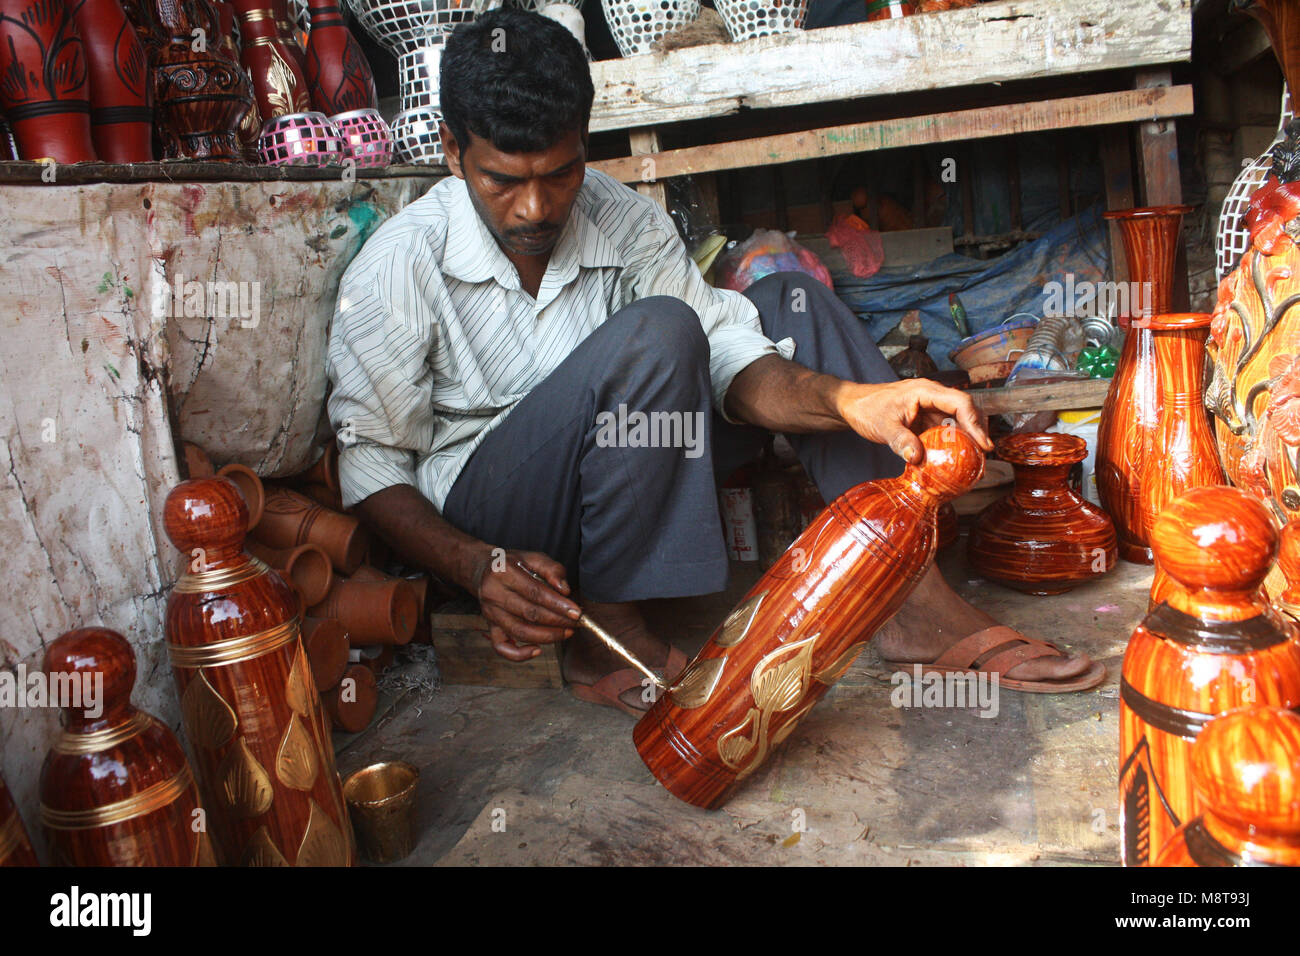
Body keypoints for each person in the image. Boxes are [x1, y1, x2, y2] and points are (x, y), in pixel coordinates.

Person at [326, 7, 1104, 715]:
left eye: (558, 175)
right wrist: (473, 564)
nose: (535, 209)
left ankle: (910, 602)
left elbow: (728, 348)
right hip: (502, 512)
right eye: (504, 181)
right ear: (456, 153)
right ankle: (607, 638)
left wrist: (845, 400)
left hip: (634, 459)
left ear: (583, 147)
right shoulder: (401, 263)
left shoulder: (619, 216)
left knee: (792, 302)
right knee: (658, 332)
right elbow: (370, 468)